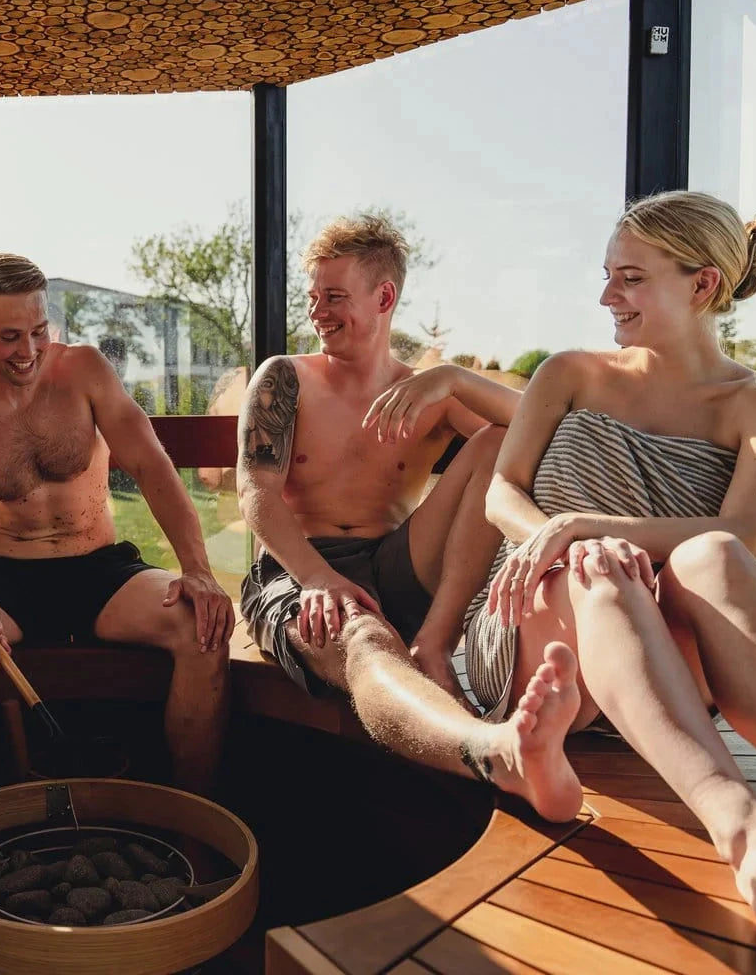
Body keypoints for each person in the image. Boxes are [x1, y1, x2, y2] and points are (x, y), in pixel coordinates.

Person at [466, 191, 756, 967]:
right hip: (537, 624)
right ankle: (749, 836)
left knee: (713, 557)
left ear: (702, 287)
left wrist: (597, 526)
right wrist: (564, 537)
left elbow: (743, 539)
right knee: (595, 572)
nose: (605, 298)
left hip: (670, 657)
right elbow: (502, 493)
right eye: (607, 276)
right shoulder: (568, 374)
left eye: (629, 279)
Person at [237, 212, 584, 823]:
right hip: (299, 569)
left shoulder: (429, 394)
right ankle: (491, 753)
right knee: (364, 639)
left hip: (396, 560)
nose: (318, 311)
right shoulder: (284, 379)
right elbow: (255, 494)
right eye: (314, 297)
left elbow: (537, 435)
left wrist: (451, 380)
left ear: (385, 297)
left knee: (496, 444)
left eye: (335, 297)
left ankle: (436, 641)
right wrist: (318, 578)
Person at [0, 253, 234, 798]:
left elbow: (151, 467)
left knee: (204, 629)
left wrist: (198, 570)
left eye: (38, 331)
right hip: (3, 581)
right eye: (7, 337)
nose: (27, 351)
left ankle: (193, 819)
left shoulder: (85, 371)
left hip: (100, 571)